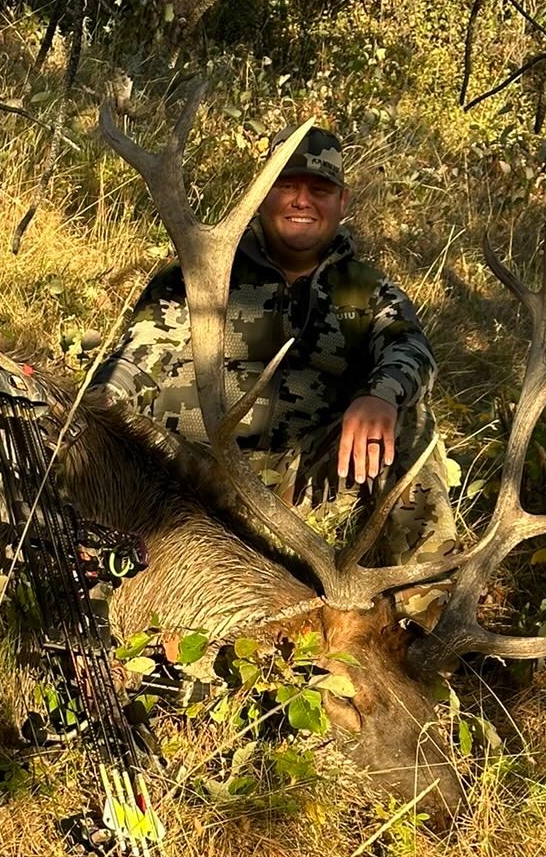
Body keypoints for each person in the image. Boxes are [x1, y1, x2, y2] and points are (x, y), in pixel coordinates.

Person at [92, 125, 455, 593]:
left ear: (342, 203)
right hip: (185, 472)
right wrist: (97, 407)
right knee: (103, 427)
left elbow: (411, 350)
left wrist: (380, 396)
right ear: (260, 195)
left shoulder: (365, 290)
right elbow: (137, 358)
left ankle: (427, 617)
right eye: (286, 185)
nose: (302, 201)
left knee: (413, 423)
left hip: (301, 483)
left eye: (319, 190)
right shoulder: (200, 272)